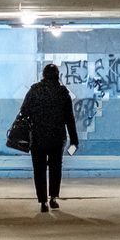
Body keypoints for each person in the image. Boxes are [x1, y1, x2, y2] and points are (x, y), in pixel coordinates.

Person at [16, 64, 80, 213]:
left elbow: (24, 111)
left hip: (37, 136)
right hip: (57, 137)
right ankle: (53, 198)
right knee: (55, 168)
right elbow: (69, 118)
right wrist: (74, 140)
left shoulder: (34, 90)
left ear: (43, 75)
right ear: (58, 75)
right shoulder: (63, 92)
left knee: (39, 170)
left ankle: (43, 202)